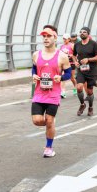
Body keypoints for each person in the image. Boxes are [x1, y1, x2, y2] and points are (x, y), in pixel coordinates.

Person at [31, 25, 71, 157]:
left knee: (48, 120)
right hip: (39, 92)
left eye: (48, 36)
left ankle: (49, 148)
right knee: (37, 121)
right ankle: (50, 123)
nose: (46, 39)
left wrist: (61, 77)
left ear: (55, 37)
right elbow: (34, 69)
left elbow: (69, 74)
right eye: (44, 36)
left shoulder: (62, 56)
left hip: (53, 94)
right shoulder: (36, 55)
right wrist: (34, 75)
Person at [73, 27, 97, 116]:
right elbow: (73, 55)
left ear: (88, 34)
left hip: (92, 70)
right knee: (79, 87)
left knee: (89, 92)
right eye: (80, 32)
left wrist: (88, 59)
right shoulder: (77, 44)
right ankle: (82, 104)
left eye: (84, 32)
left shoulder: (93, 44)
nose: (82, 33)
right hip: (81, 70)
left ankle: (91, 107)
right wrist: (75, 62)